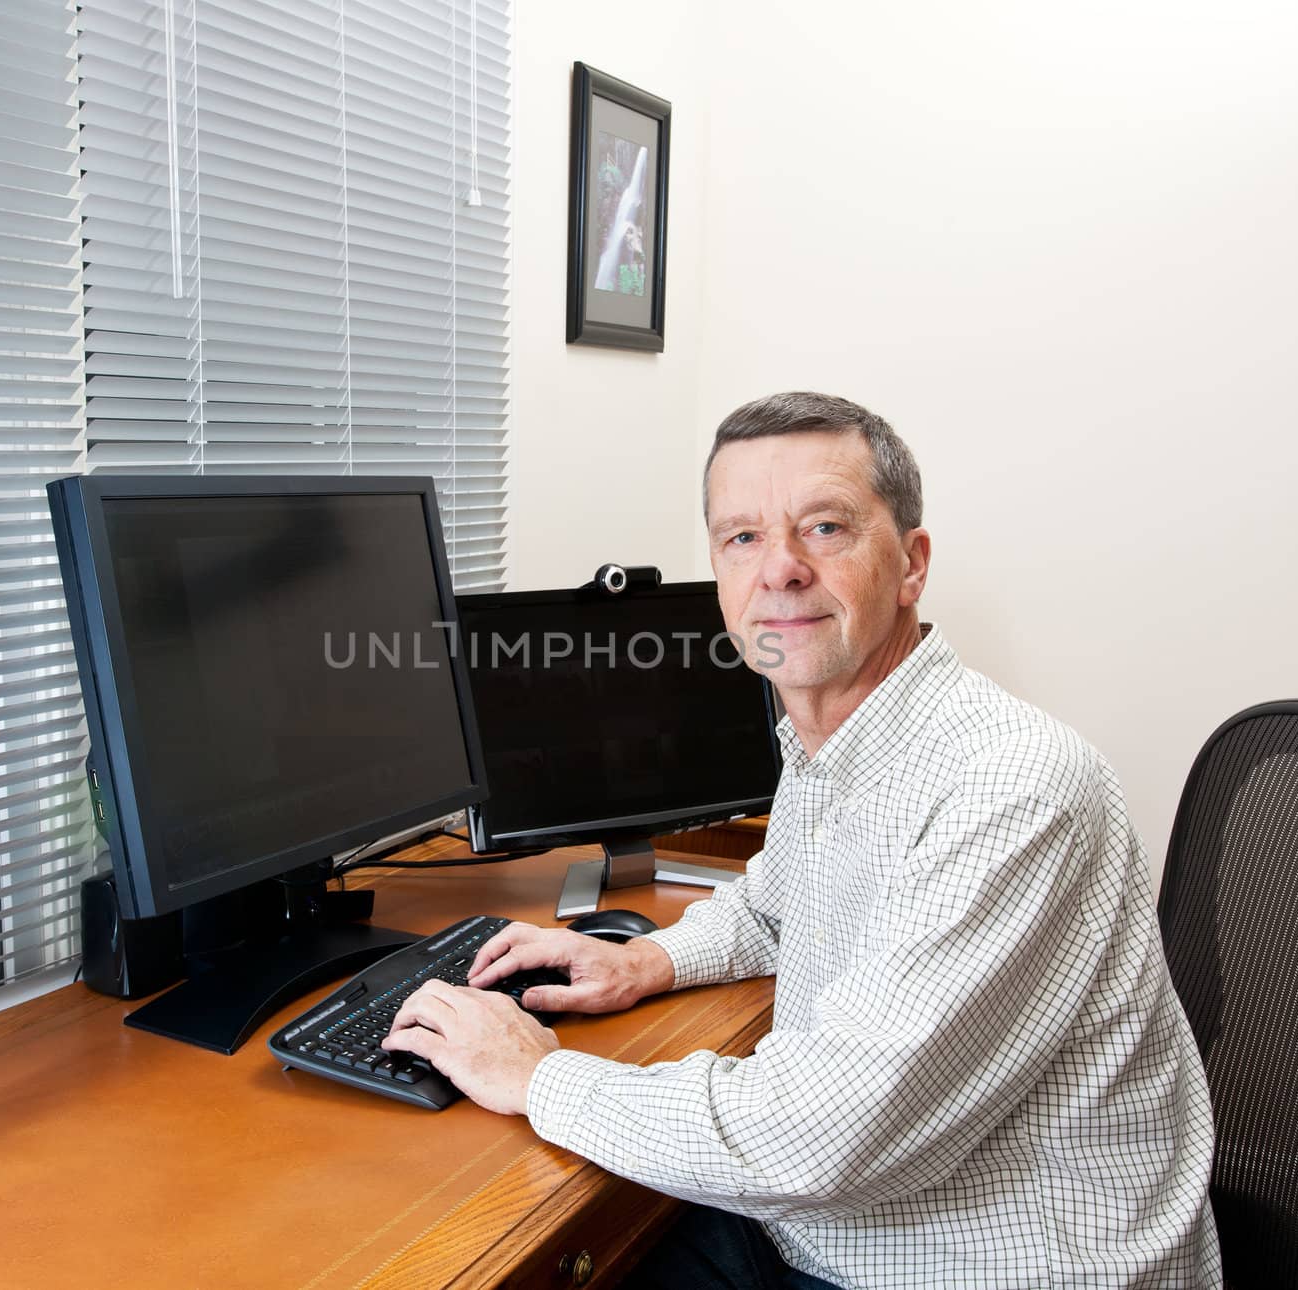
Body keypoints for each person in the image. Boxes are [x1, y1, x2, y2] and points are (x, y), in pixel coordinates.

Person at [382, 392, 1222, 1288]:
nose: (779, 569)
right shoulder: (837, 739)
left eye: (824, 527)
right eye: (742, 537)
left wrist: (535, 1078)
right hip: (831, 1232)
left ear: (911, 564)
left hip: (974, 1263)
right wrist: (644, 962)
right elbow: (778, 905)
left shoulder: (1011, 788)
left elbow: (816, 1138)